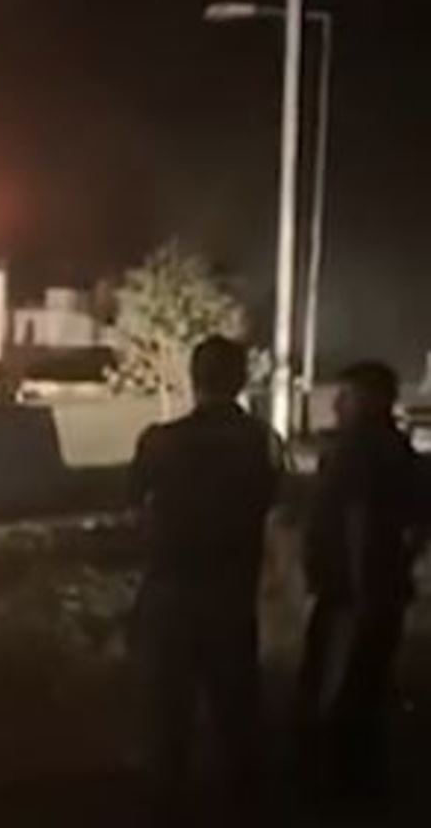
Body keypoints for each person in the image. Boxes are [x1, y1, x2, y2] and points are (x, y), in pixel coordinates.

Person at [128, 335, 282, 807]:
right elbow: (273, 503)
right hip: (231, 592)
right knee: (235, 709)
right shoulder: (262, 442)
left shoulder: (159, 442)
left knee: (166, 709)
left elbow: (135, 506)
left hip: (170, 590)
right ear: (241, 380)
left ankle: (167, 801)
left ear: (193, 378)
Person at [298, 361, 422, 798]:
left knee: (338, 688)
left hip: (350, 593)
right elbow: (418, 524)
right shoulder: (401, 451)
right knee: (367, 684)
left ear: (371, 399)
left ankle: (335, 786)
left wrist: (359, 584)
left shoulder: (357, 449)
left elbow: (359, 517)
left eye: (347, 395)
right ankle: (361, 780)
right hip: (384, 588)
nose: (337, 403)